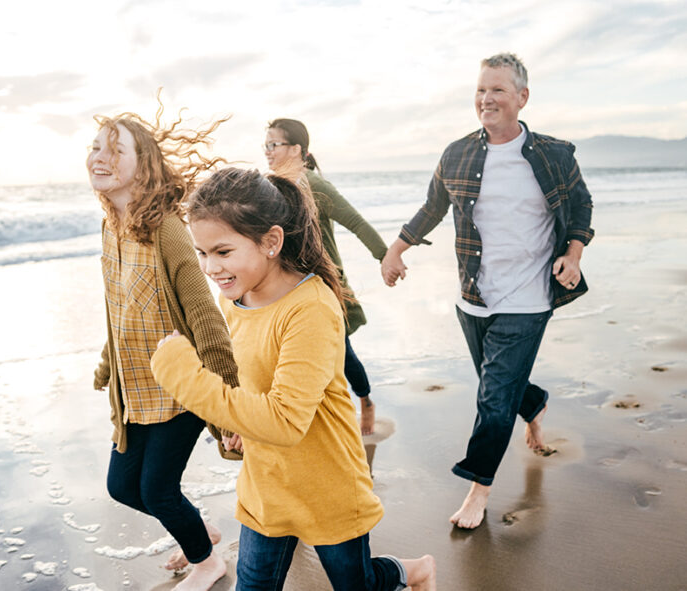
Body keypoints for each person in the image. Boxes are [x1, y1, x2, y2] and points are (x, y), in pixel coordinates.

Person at [150, 167, 436, 590]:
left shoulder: (312, 308)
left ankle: (414, 570)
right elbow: (256, 381)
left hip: (328, 486)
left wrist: (185, 377)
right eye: (203, 252)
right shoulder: (236, 296)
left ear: (270, 242)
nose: (211, 267)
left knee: (357, 583)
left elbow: (284, 420)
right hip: (267, 484)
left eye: (223, 251)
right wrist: (243, 427)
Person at [381, 52, 594, 529]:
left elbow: (581, 204)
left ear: (522, 97)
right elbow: (432, 207)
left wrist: (573, 255)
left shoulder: (554, 154)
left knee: (493, 400)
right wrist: (395, 251)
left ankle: (478, 491)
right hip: (472, 298)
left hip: (530, 298)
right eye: (481, 89)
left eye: (497, 89)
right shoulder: (457, 153)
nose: (486, 98)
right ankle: (534, 403)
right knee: (499, 385)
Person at [87, 104, 240, 590]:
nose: (99, 155)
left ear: (145, 164)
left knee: (156, 488)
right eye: (95, 146)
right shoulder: (110, 227)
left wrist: (228, 408)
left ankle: (208, 562)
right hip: (135, 388)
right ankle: (199, 531)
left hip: (181, 384)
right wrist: (106, 363)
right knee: (122, 486)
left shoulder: (168, 229)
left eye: (115, 148)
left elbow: (203, 316)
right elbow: (119, 309)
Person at [263, 118, 388, 435]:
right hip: (287, 287)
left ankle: (365, 402)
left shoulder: (314, 186)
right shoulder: (270, 188)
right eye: (265, 145)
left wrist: (386, 257)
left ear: (296, 149)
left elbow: (356, 222)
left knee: (342, 355)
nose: (267, 152)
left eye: (273, 145)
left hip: (323, 285)